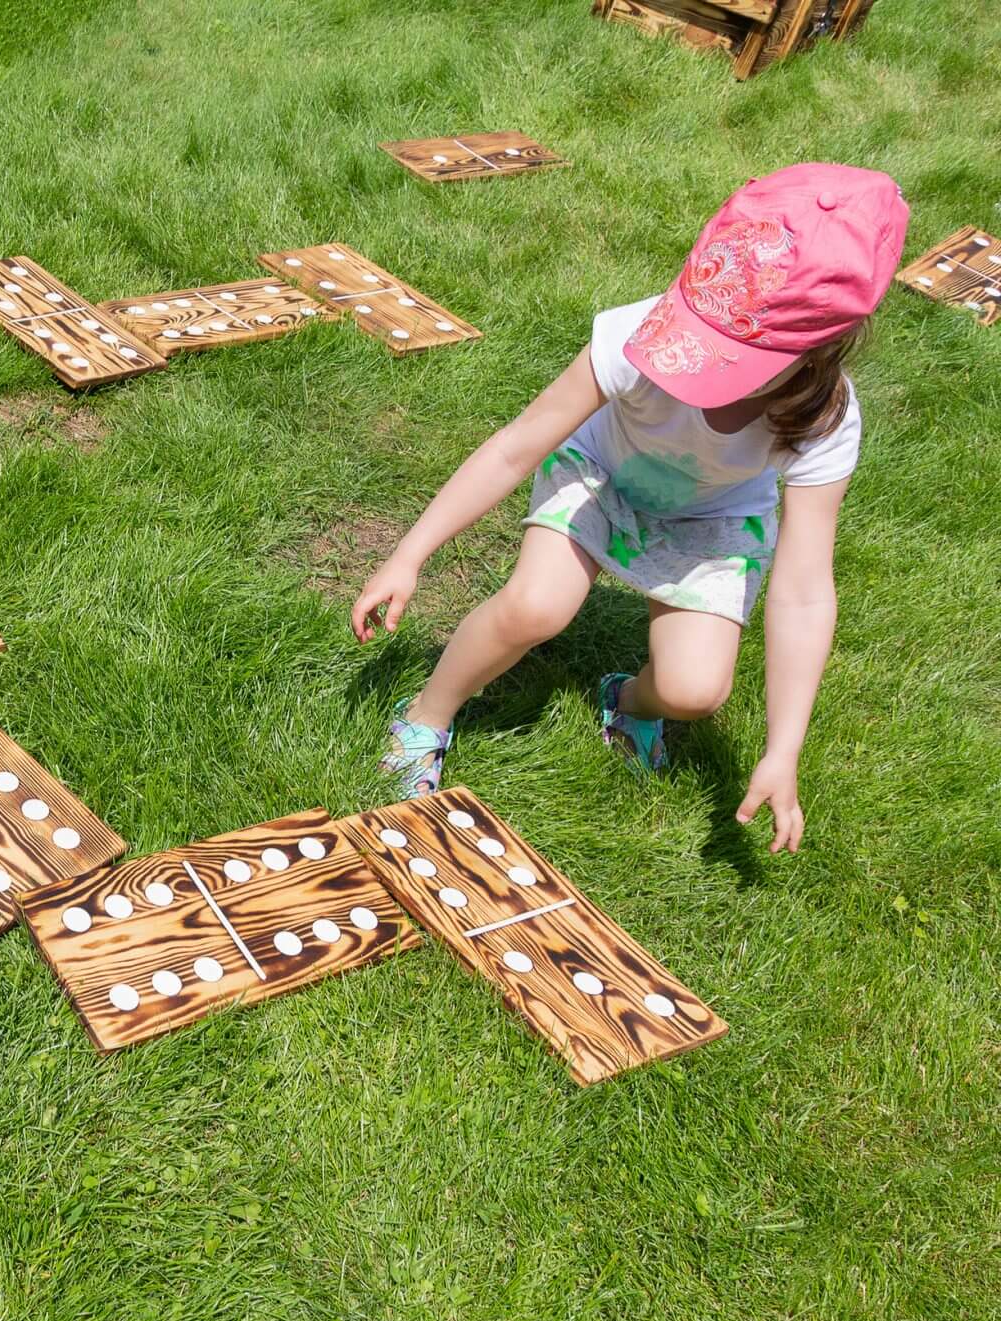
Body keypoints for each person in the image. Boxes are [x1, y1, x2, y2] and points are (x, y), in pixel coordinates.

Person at [350, 162, 909, 853]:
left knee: (695, 690)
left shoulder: (826, 420)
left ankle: (627, 699)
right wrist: (411, 553)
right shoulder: (638, 333)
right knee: (535, 606)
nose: (705, 366)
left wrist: (782, 747)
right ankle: (427, 716)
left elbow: (802, 590)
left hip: (713, 518)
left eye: (733, 355)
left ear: (817, 352)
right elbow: (514, 448)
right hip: (601, 471)